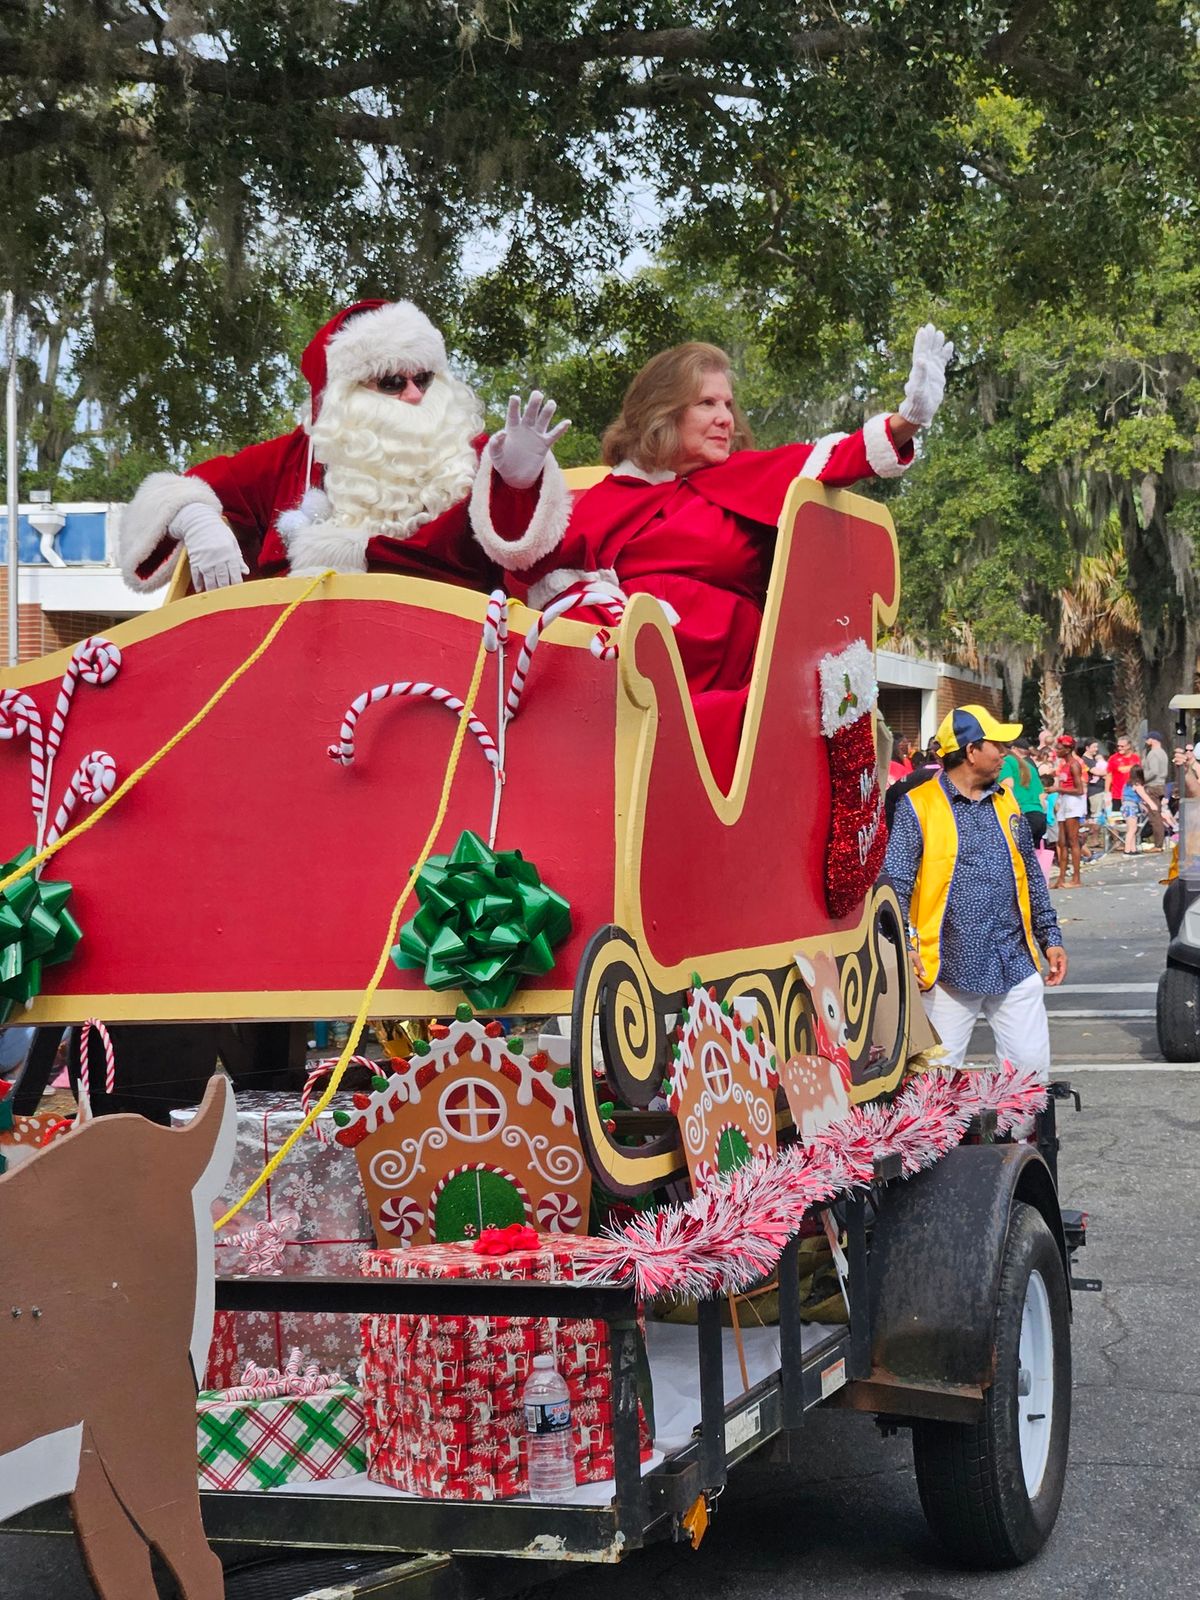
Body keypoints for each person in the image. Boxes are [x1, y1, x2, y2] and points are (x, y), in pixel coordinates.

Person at [474, 326, 954, 789]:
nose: (726, 417)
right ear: (662, 411)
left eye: (728, 404)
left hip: (734, 687)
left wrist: (908, 417)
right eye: (707, 403)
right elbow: (539, 575)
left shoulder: (750, 475)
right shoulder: (607, 497)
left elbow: (837, 458)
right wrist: (519, 486)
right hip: (632, 682)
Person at [117, 299, 570, 597]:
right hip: (296, 663)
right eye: (392, 382)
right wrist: (195, 518)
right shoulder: (291, 461)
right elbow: (178, 488)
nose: (414, 395)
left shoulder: (474, 457)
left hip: (444, 667)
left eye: (424, 379)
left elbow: (525, 563)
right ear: (341, 394)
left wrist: (518, 486)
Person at [884, 705, 1067, 1078]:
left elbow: (1029, 873)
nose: (1004, 753)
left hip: (1015, 960)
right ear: (971, 751)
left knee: (1030, 1073)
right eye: (996, 745)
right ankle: (936, 1140)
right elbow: (897, 884)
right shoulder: (917, 807)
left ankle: (1025, 1136)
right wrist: (905, 946)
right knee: (933, 1080)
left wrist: (1050, 936)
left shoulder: (1005, 800)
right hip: (947, 968)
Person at [1050, 734, 1087, 888]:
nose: (1056, 751)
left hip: (1073, 802)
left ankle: (1076, 879)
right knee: (1062, 842)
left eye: (1059, 748)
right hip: (1064, 800)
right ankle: (1061, 878)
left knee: (1073, 841)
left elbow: (1079, 790)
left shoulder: (1074, 765)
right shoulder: (1064, 765)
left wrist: (1058, 789)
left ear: (1067, 749)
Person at [999, 737, 1049, 847]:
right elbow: (1042, 795)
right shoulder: (1028, 766)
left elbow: (1008, 785)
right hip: (1039, 816)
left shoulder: (1005, 762)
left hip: (1023, 817)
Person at [1142, 732, 1170, 849]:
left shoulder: (1153, 753)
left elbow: (1153, 771)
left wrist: (1142, 778)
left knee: (1154, 816)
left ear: (1153, 740)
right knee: (1157, 814)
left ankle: (1158, 845)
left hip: (1153, 786)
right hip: (1161, 785)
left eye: (1147, 739)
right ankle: (1160, 842)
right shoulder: (1163, 753)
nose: (1146, 741)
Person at [1106, 733, 1139, 810]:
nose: (1119, 748)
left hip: (1132, 794)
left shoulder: (1135, 758)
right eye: (1118, 746)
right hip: (1117, 795)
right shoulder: (1113, 758)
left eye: (1122, 746)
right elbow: (1109, 776)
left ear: (1129, 746)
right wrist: (1107, 792)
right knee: (1117, 818)